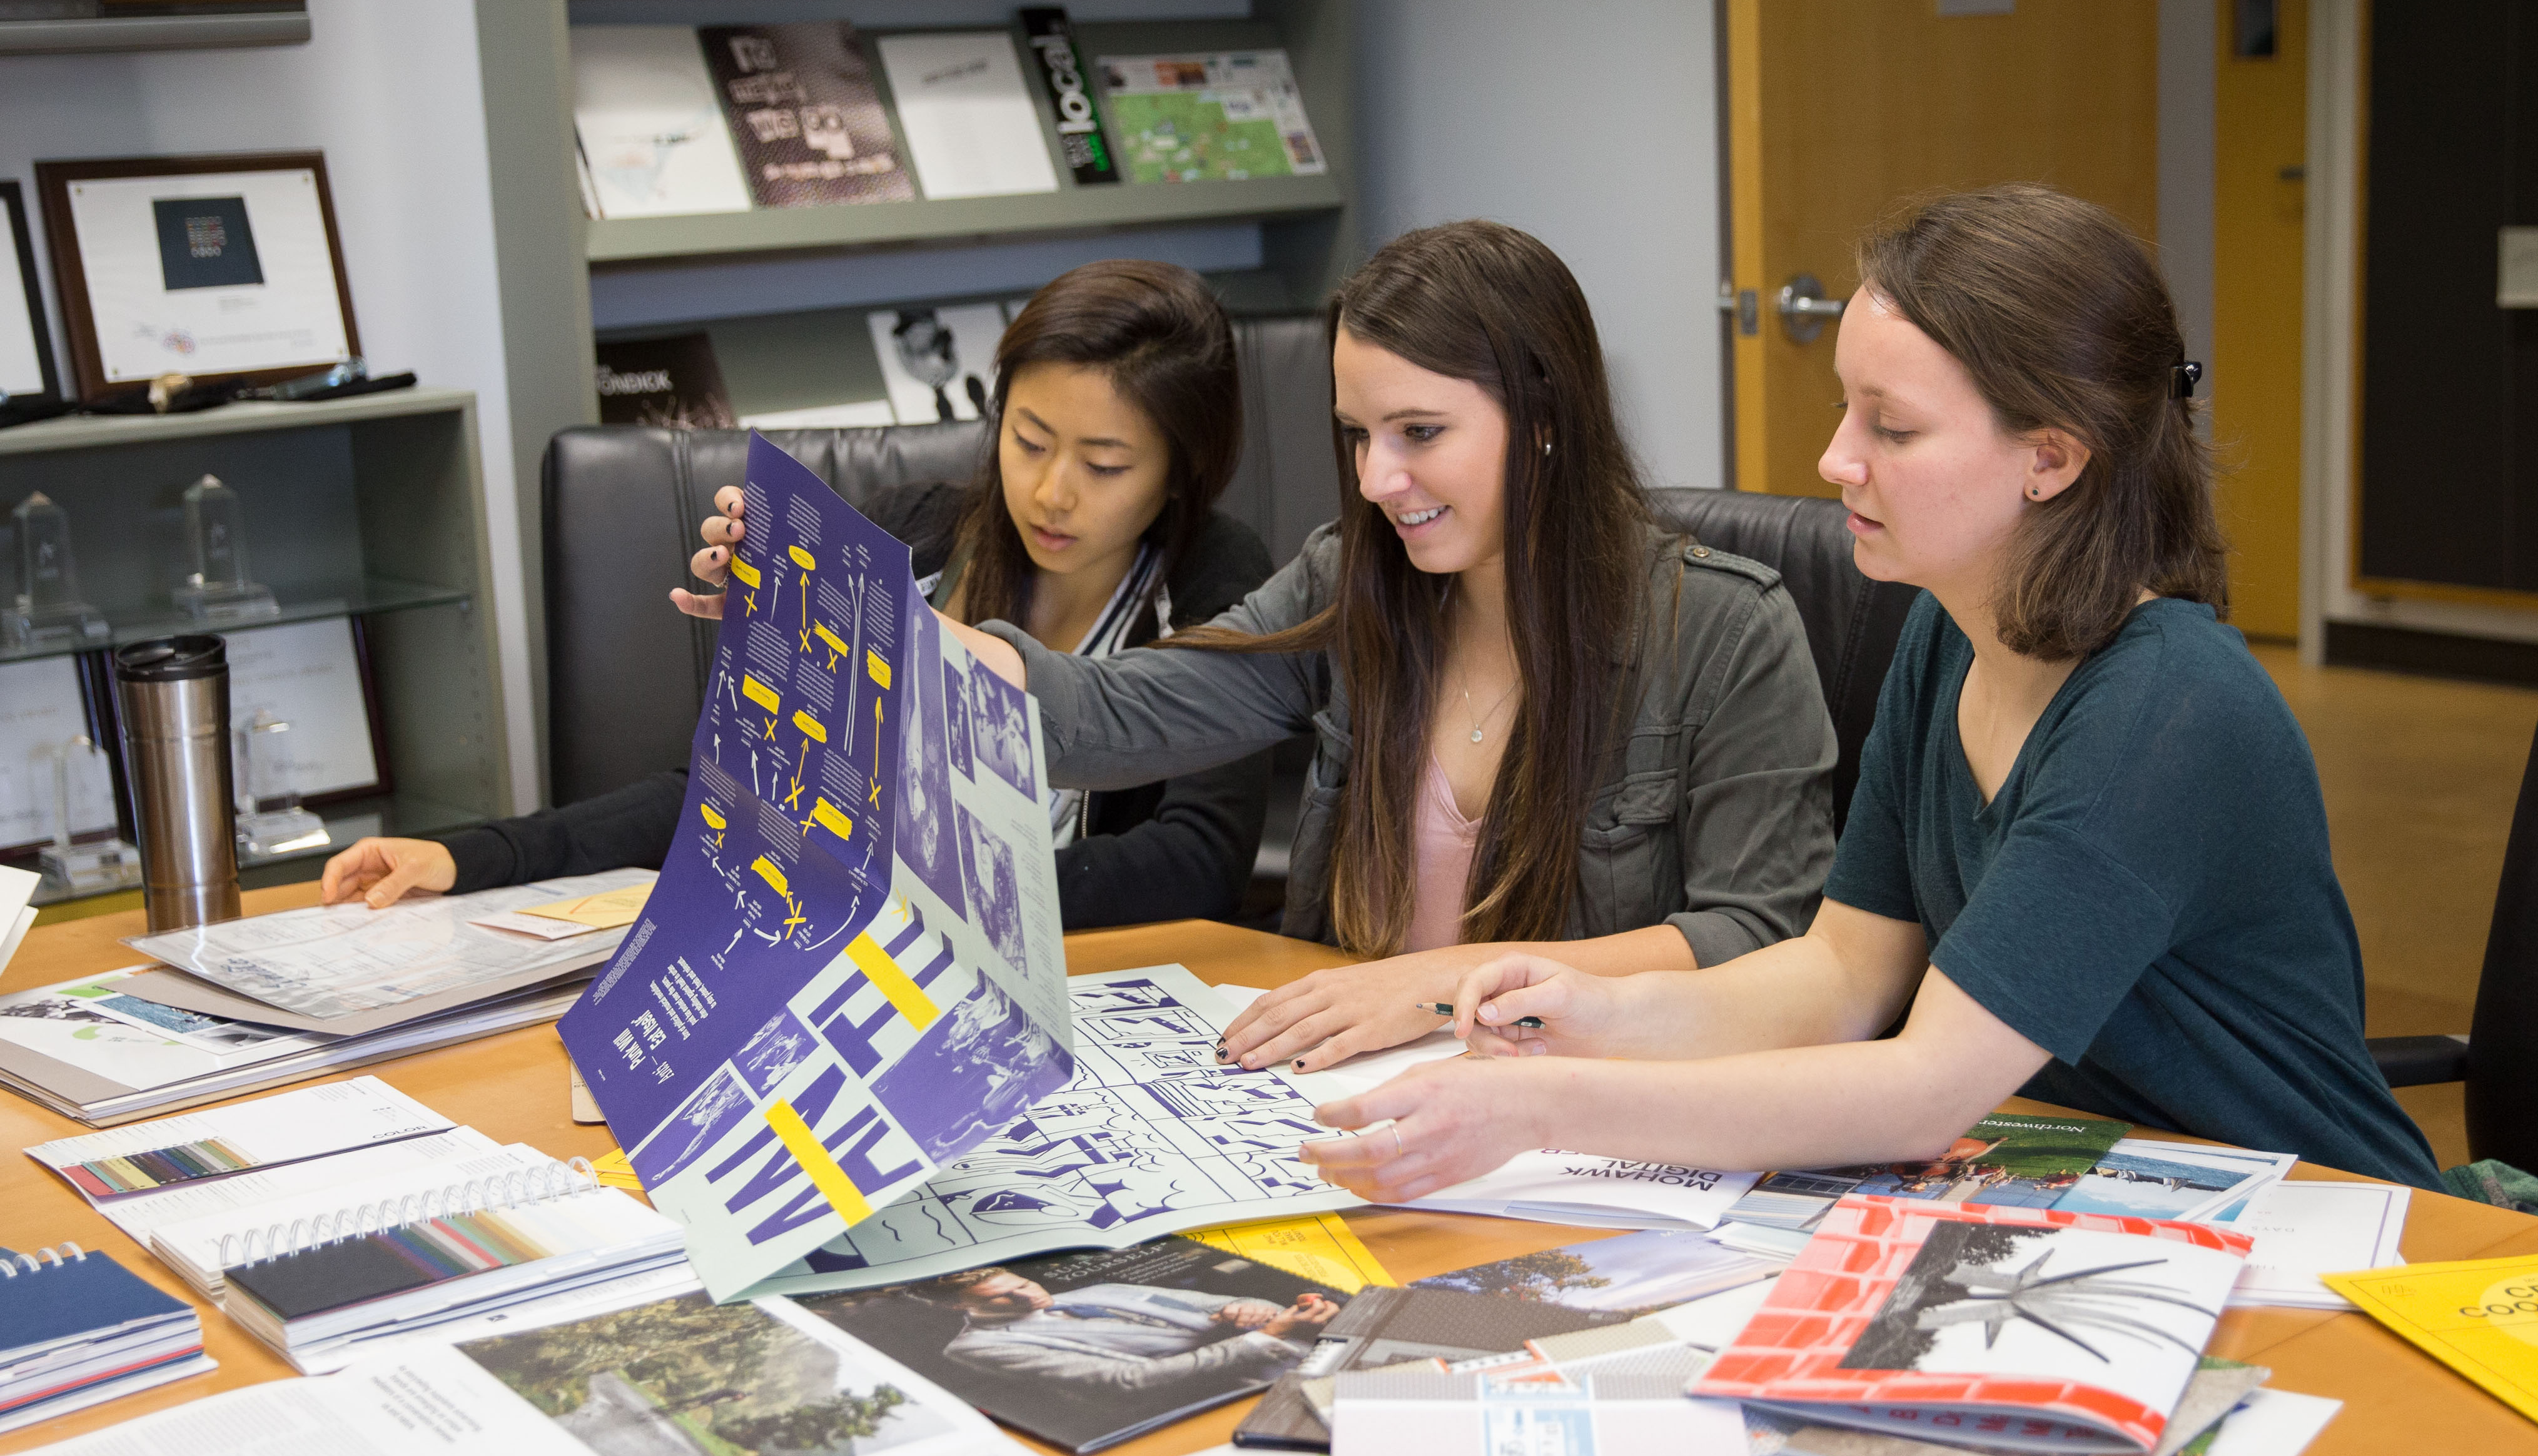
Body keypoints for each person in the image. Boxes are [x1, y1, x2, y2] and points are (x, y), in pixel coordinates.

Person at [1295, 184, 2445, 1193]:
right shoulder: (1950, 639)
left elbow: (1921, 1086)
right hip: (2096, 1182)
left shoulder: (2164, 712)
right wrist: (1596, 1016)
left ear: (2050, 456)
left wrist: (1550, 1105)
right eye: (1848, 408)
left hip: (2316, 1214)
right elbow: (1843, 971)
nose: (1834, 458)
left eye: (1889, 426)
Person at [680, 220, 1838, 1074]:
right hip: (1346, 1092)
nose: (1380, 479)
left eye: (1420, 432)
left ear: (1543, 418)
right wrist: (851, 623)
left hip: (1596, 1113)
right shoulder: (1356, 580)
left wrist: (1440, 993)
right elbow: (1113, 711)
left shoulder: (1726, 629)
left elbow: (1761, 937)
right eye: (1357, 434)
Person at [321, 260, 1274, 931]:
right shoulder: (914, 537)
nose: (1052, 490)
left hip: (1108, 989)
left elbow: (1196, 857)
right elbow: (730, 790)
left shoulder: (1214, 578)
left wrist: (883, 885)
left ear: (1181, 471)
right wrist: (473, 858)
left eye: (1105, 464)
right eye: (1028, 440)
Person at [926, 1266, 1338, 1394]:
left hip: (1319, 1361)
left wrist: (1249, 1312)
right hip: (1250, 1394)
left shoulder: (1099, 1290)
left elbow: (1244, 1309)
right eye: (1004, 1297)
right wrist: (1267, 1336)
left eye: (1024, 1283)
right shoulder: (976, 1347)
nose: (1028, 1296)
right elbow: (1130, 1381)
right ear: (959, 1305)